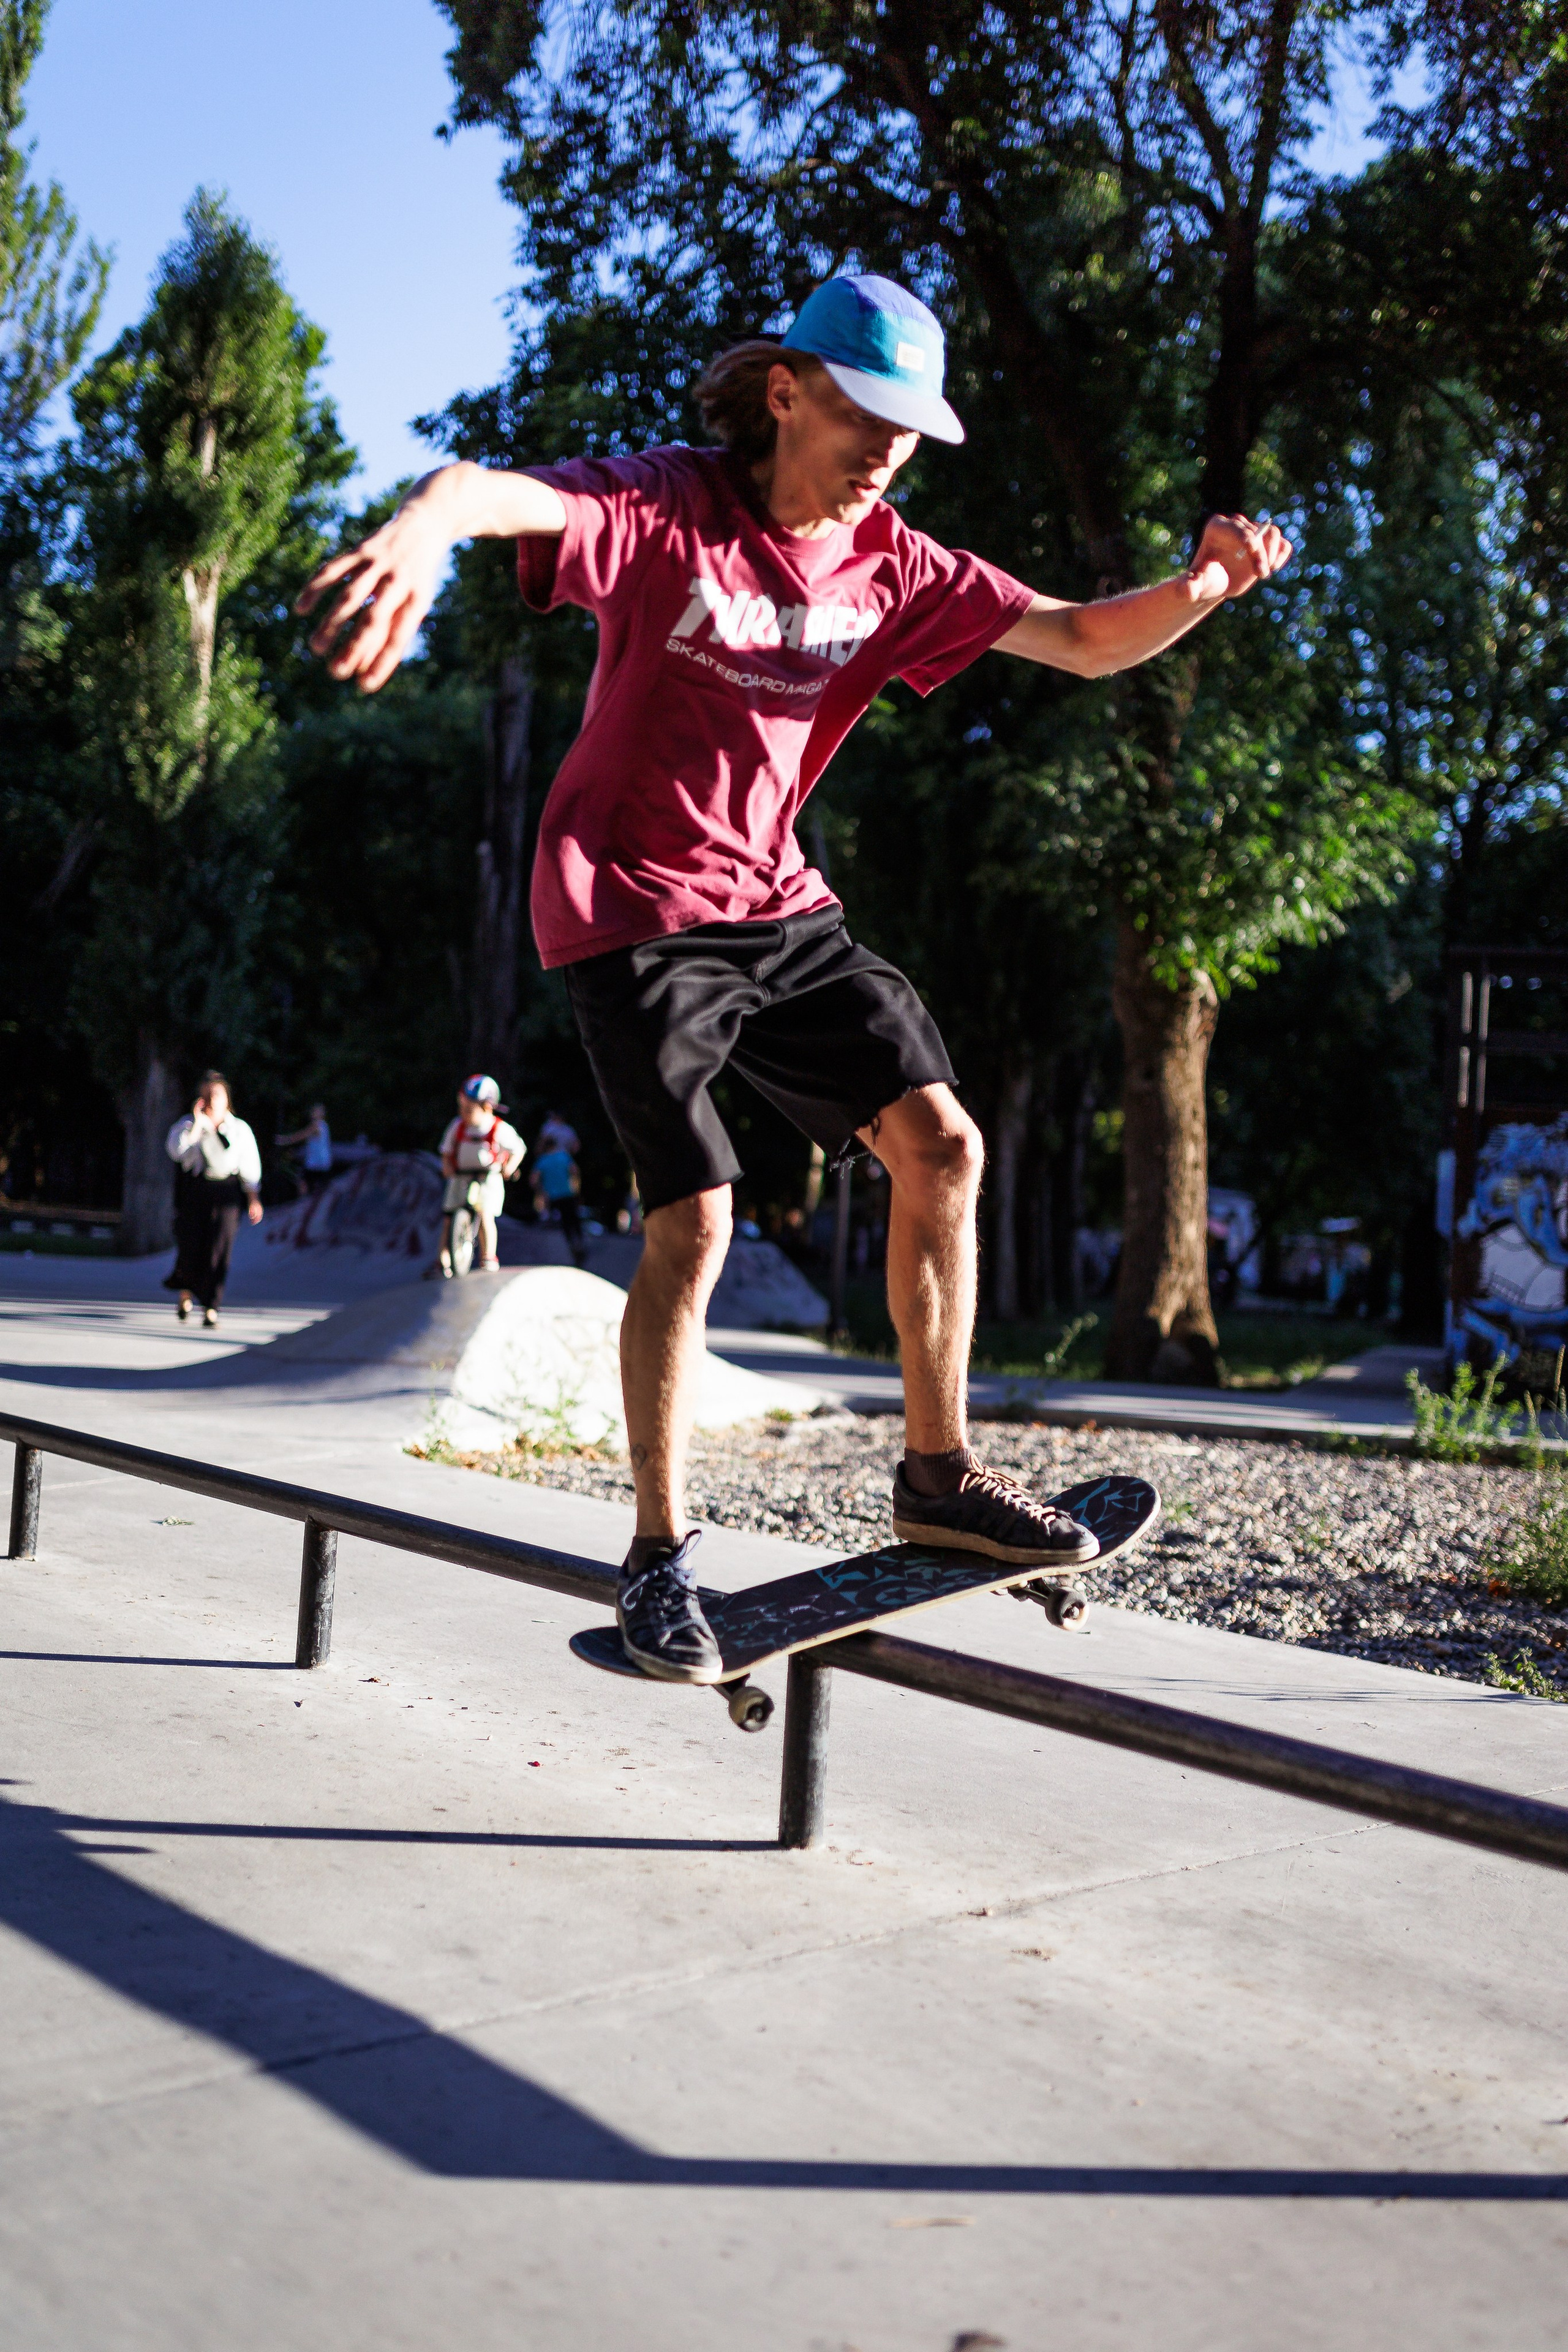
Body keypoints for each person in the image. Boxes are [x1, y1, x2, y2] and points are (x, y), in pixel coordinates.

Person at [298, 272, 1291, 1683]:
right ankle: (655, 1549)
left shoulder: (893, 563)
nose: (887, 451)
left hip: (774, 902)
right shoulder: (666, 505)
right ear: (785, 392)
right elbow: (491, 493)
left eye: (910, 430)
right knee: (695, 1218)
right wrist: (412, 532)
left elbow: (1073, 637)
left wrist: (1204, 583)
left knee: (943, 1144)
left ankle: (936, 1476)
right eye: (865, 417)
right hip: (627, 908)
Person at [162, 1072, 263, 1326]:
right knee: (191, 1245)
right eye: (207, 1095)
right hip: (197, 1190)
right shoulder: (189, 1125)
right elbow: (177, 1151)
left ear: (227, 1100)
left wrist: (253, 1199)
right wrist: (198, 1124)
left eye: (217, 1094)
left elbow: (249, 1166)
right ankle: (186, 1293)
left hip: (227, 1192)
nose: (212, 1100)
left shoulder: (239, 1130)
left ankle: (211, 1306)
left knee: (220, 1248)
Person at [434, 1074, 524, 1276]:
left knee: (485, 1215)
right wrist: (447, 1167)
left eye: (469, 1109)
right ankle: (443, 1261)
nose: (463, 1113)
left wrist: (509, 1166)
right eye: (462, 1107)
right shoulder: (457, 1126)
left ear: (487, 1107)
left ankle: (488, 1256)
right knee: (449, 1218)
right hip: (460, 1177)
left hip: (487, 1177)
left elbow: (518, 1149)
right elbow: (446, 1151)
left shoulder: (498, 1128)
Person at [530, 1135, 587, 1265]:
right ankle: (579, 1242)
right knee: (573, 1219)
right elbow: (575, 1171)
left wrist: (541, 1191)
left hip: (552, 1197)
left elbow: (534, 1180)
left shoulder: (543, 1160)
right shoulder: (564, 1156)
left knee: (563, 1222)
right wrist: (576, 1187)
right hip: (568, 1193)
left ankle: (569, 1246)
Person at [276, 1103, 334, 1196]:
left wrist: (284, 1140)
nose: (313, 1113)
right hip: (323, 1162)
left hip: (316, 1163)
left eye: (316, 1111)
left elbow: (301, 1136)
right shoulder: (324, 1125)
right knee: (316, 1185)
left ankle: (304, 1202)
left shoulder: (317, 1125)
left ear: (322, 1114)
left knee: (302, 1181)